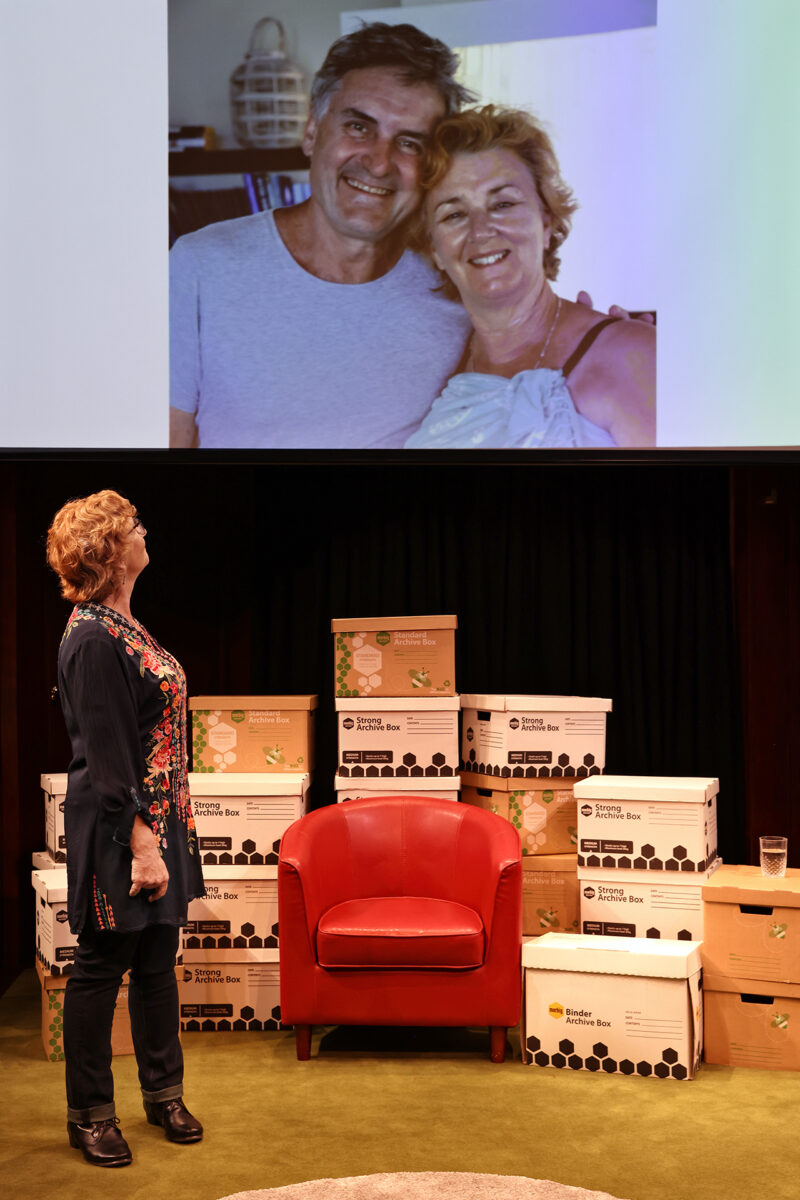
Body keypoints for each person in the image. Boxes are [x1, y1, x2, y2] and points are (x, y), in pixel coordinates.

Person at [169, 22, 638, 450]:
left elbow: (539, 362)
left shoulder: (456, 279)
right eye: (358, 127)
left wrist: (620, 347)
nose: (378, 162)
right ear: (312, 131)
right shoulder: (199, 268)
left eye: (410, 142)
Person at [46, 490, 205, 1167]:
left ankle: (163, 1092)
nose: (144, 531)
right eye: (134, 526)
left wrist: (164, 833)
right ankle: (90, 1114)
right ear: (110, 554)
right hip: (122, 828)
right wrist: (142, 844)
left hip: (160, 821)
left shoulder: (127, 627)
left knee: (155, 964)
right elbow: (108, 756)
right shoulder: (92, 638)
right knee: (101, 967)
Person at [404, 106, 656, 449]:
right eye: (455, 214)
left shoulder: (634, 355)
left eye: (503, 204)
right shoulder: (437, 366)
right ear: (434, 249)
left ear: (547, 222)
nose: (481, 231)